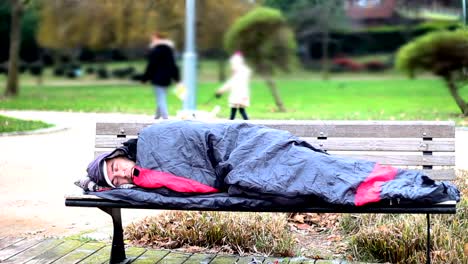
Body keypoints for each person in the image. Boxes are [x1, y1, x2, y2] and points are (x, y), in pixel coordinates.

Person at [77, 120, 460, 207]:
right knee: (309, 179)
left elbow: (206, 150)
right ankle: (390, 185)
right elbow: (197, 186)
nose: (121, 173)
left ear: (119, 155)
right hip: (240, 168)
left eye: (116, 166)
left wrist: (137, 177)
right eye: (115, 179)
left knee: (314, 172)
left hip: (250, 149)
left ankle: (397, 182)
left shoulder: (152, 140)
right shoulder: (147, 178)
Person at [142, 32, 180, 119]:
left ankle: (165, 118)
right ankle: (157, 116)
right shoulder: (169, 50)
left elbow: (151, 66)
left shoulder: (156, 50)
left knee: (161, 98)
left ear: (158, 39)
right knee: (161, 96)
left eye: (153, 38)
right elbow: (173, 65)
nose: (152, 40)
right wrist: (177, 78)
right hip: (167, 78)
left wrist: (145, 79)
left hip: (157, 78)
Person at [215, 51, 252, 120]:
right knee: (238, 109)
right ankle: (239, 121)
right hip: (241, 95)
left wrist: (221, 91)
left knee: (237, 109)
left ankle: (233, 121)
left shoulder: (238, 75)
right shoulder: (242, 73)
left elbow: (230, 84)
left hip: (238, 95)